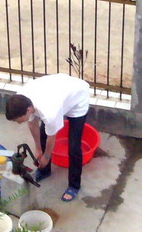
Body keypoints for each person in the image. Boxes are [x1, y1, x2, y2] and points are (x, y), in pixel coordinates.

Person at [5, 73, 90, 202]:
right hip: (58, 92)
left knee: (74, 147)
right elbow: (32, 123)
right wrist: (38, 149)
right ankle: (45, 171)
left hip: (77, 99)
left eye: (19, 120)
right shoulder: (20, 98)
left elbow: (52, 136)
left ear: (28, 110)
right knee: (42, 135)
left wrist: (46, 156)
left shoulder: (49, 111)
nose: (18, 123)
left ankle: (74, 185)